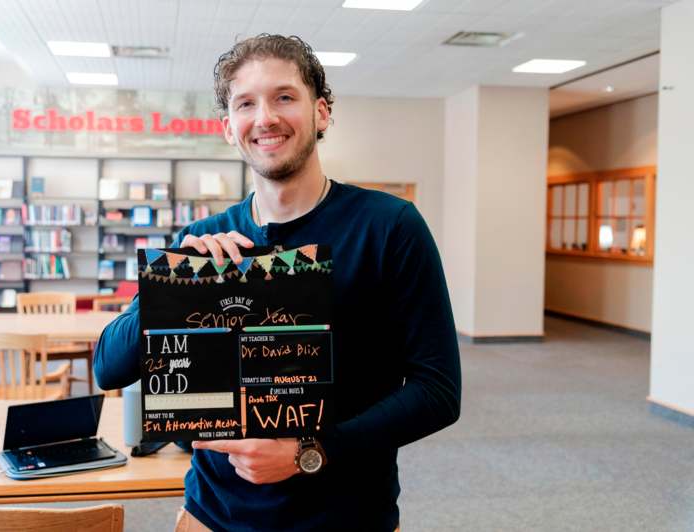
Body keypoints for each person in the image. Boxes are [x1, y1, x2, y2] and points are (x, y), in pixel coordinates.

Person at [95, 34, 461, 531]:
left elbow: (437, 390)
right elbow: (109, 368)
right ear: (229, 128)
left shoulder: (390, 226)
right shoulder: (201, 239)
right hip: (212, 517)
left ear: (322, 113)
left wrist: (311, 451)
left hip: (346, 518)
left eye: (284, 97)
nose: (265, 117)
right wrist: (173, 285)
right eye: (246, 103)